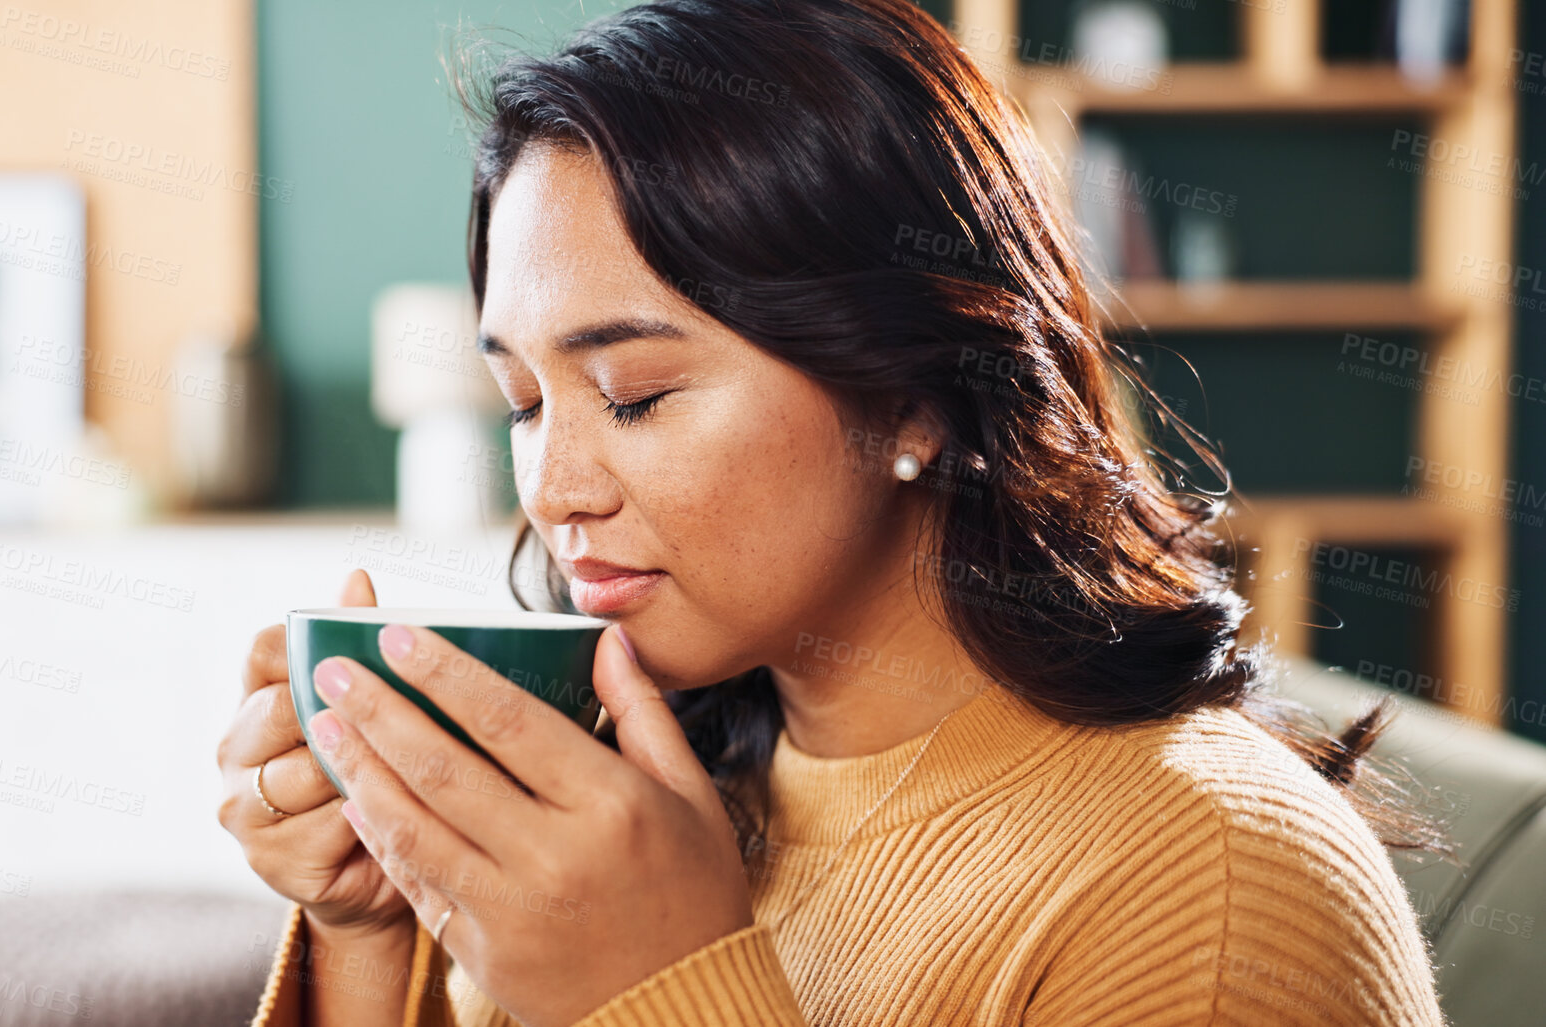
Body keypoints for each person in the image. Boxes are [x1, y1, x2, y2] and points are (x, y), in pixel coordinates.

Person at [216, 1, 1455, 1023]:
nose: (551, 491)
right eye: (527, 402)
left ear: (918, 393)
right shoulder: (616, 797)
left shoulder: (1219, 888)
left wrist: (661, 991)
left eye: (637, 395)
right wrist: (369, 925)